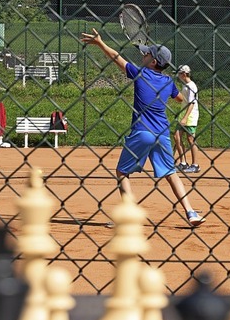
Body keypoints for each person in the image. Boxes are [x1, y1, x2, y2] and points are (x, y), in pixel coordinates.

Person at [80, 28, 206, 227]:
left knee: (122, 173)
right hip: (162, 134)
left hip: (142, 131)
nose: (143, 54)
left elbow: (116, 57)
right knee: (171, 173)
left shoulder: (139, 74)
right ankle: (191, 212)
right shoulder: (167, 81)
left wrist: (100, 43)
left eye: (147, 53)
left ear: (153, 61)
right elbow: (180, 98)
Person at [173, 65, 201, 174]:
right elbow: (183, 101)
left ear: (184, 74)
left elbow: (192, 103)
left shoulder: (191, 86)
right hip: (183, 114)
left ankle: (195, 165)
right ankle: (183, 163)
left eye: (179, 74)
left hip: (190, 115)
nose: (178, 76)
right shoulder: (185, 86)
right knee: (177, 137)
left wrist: (185, 117)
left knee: (190, 139)